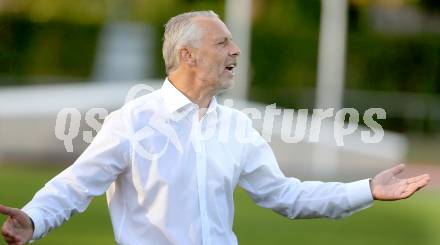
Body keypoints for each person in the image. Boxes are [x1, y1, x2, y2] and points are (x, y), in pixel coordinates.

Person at [0, 10, 430, 245]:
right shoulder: (132, 121)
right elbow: (76, 186)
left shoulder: (238, 128)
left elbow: (287, 195)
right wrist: (34, 220)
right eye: (222, 42)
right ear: (187, 56)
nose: (237, 49)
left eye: (232, 40)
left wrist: (367, 189)